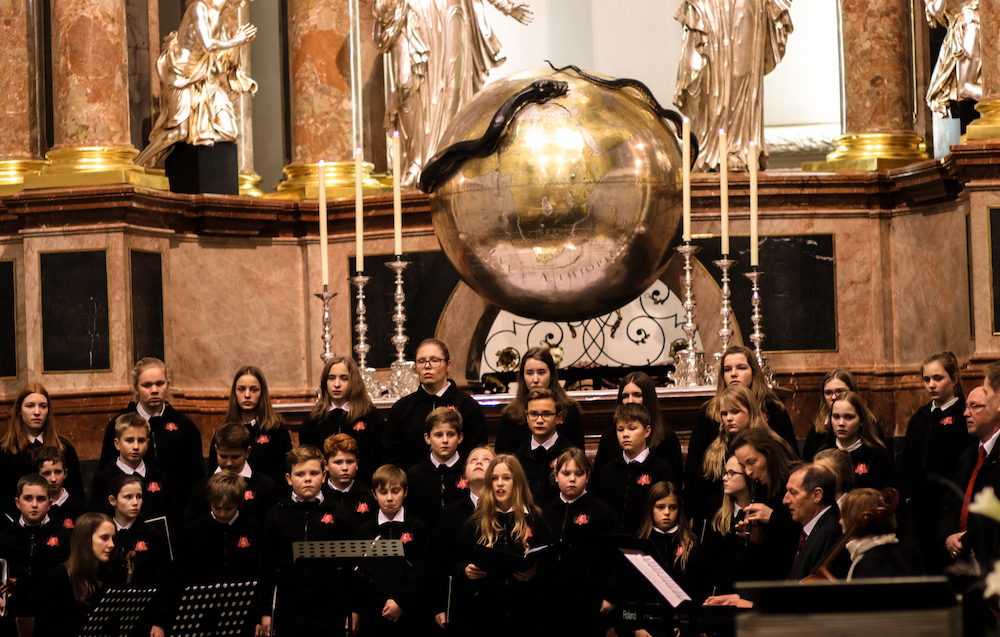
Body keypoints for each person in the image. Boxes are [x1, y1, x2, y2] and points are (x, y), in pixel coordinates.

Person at [373, 0, 533, 186]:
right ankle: (414, 161)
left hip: (450, 11)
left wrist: (506, 5)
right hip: (411, 12)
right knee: (406, 87)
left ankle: (443, 162)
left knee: (451, 89)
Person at [673, 0, 793, 171]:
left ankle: (739, 148)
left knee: (741, 72)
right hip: (710, 6)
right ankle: (709, 152)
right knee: (710, 74)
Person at [136, 0, 257, 167]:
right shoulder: (198, 7)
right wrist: (236, 41)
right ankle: (138, 165)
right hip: (181, 77)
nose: (241, 3)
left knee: (228, 130)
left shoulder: (218, 19)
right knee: (179, 132)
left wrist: (236, 50)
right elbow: (208, 45)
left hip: (204, 80)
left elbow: (220, 62)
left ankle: (195, 162)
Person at [685, 346, 796, 525]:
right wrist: (692, 512)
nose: (733, 374)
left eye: (741, 368)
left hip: (763, 506)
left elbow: (789, 462)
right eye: (727, 369)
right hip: (715, 509)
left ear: (754, 371)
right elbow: (694, 467)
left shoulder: (774, 410)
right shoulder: (708, 412)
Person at [454, 455, 552, 637]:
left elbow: (550, 562)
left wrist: (535, 572)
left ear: (518, 482)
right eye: (494, 478)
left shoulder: (535, 519)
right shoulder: (476, 523)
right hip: (486, 615)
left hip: (527, 614)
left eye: (506, 478)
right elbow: (458, 561)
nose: (500, 484)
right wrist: (466, 570)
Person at [264, 446, 355, 635]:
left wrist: (353, 609)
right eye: (300, 474)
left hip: (331, 608)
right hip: (289, 609)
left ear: (323, 476)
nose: (307, 479)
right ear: (288, 478)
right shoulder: (277, 514)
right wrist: (265, 612)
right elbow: (266, 565)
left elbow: (350, 567)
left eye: (313, 473)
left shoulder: (339, 513)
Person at [901, 351, 973, 574]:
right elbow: (907, 460)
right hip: (918, 508)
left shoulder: (963, 415)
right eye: (926, 379)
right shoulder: (920, 417)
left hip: (948, 509)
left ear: (954, 379)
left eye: (938, 378)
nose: (931, 385)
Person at [99, 357, 205, 506]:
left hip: (177, 512)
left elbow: (197, 477)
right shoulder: (118, 425)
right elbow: (106, 473)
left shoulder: (185, 426)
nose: (154, 390)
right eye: (147, 385)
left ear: (167, 385)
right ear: (136, 387)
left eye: (159, 384)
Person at [541, 448, 618, 637]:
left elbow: (614, 557)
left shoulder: (601, 511)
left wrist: (610, 595)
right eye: (566, 473)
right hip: (551, 601)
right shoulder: (544, 513)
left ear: (588, 476)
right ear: (556, 476)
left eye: (579, 473)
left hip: (589, 601)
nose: (572, 479)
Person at [181, 472, 269, 634]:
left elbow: (262, 572)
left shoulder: (253, 528)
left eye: (228, 508)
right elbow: (185, 575)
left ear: (240, 502)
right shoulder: (194, 531)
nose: (222, 514)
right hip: (205, 612)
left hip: (245, 610)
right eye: (216, 507)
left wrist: (260, 614)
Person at [615, 481, 704, 637]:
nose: (667, 512)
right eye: (660, 507)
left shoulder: (692, 545)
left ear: (680, 509)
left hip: (680, 628)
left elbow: (698, 592)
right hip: (643, 628)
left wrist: (686, 627)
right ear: (651, 509)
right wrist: (634, 629)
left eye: (673, 507)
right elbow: (625, 593)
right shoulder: (637, 544)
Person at [383, 338, 487, 469]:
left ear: (448, 365)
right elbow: (392, 457)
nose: (427, 366)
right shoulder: (402, 409)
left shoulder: (468, 406)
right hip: (413, 484)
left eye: (434, 360)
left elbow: (476, 453)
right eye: (421, 361)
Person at [356, 464, 430, 635]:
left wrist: (401, 603)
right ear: (374, 494)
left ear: (405, 492)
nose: (389, 498)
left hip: (411, 612)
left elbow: (421, 570)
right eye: (383, 492)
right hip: (375, 613)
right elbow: (360, 574)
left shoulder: (418, 528)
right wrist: (381, 603)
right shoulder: (365, 530)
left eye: (395, 491)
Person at [429, 447, 494, 632]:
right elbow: (438, 561)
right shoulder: (450, 513)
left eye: (486, 460)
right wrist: (439, 605)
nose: (479, 462)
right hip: (461, 602)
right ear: (465, 471)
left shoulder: (507, 510)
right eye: (474, 460)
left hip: (498, 602)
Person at [0, 384, 84, 520]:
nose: (37, 412)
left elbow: (77, 496)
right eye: (30, 406)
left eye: (43, 406)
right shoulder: (5, 452)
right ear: (19, 410)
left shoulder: (64, 449)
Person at [0, 474, 71, 628]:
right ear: (17, 503)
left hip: (52, 613)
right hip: (14, 612)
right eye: (28, 498)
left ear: (49, 503)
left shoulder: (63, 535)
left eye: (40, 499)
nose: (34, 504)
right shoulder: (6, 536)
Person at [299, 355, 384, 483]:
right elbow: (308, 463)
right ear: (324, 382)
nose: (337, 384)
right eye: (331, 378)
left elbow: (376, 459)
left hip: (363, 490)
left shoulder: (371, 417)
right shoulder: (314, 420)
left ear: (354, 382)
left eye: (344, 378)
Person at [106, 474, 172, 637]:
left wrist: (158, 622)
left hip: (145, 618)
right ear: (113, 500)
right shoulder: (102, 532)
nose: (135, 502)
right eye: (128, 497)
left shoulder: (152, 534)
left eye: (139, 496)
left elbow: (162, 579)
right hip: (109, 620)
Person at [941, 385, 1000, 566]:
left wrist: (965, 541)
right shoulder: (969, 454)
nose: (966, 413)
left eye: (975, 407)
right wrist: (948, 534)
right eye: (967, 407)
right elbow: (950, 501)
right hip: (965, 555)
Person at [594, 403, 675, 534]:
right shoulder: (608, 470)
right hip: (612, 544)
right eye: (620, 429)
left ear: (647, 431)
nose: (625, 434)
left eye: (632, 429)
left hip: (647, 543)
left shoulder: (661, 469)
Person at [208, 366, 292, 488]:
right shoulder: (224, 432)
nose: (247, 395)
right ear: (235, 392)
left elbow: (284, 475)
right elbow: (213, 473)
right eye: (241, 389)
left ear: (262, 393)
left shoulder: (277, 431)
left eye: (253, 390)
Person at [731, 428, 798, 580]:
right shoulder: (760, 487)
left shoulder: (796, 480)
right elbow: (775, 549)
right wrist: (759, 537)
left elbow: (806, 533)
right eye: (743, 466)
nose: (748, 472)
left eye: (752, 462)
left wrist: (773, 518)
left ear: (768, 454)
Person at [33, 512, 115, 637]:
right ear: (86, 540)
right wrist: (91, 620)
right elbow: (44, 632)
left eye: (112, 538)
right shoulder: (59, 577)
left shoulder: (106, 575)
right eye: (104, 538)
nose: (111, 544)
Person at [593, 371, 684, 481]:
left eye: (637, 395)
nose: (630, 401)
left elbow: (673, 486)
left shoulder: (667, 437)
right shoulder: (609, 436)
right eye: (625, 396)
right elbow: (597, 483)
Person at [184, 423, 279, 525]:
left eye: (235, 457)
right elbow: (191, 525)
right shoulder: (202, 487)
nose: (229, 463)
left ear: (247, 452)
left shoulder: (265, 486)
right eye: (223, 456)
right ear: (216, 450)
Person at [494, 347, 584, 454]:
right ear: (523, 376)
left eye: (541, 373)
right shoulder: (510, 414)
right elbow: (502, 458)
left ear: (551, 375)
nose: (535, 380)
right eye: (529, 373)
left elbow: (578, 457)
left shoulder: (569, 409)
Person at [90, 413, 174, 521]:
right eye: (129, 440)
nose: (135, 447)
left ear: (148, 444)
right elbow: (96, 519)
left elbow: (172, 517)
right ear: (117, 443)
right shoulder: (103, 478)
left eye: (141, 440)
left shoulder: (159, 476)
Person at [405, 407, 468, 532]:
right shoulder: (414, 475)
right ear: (427, 438)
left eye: (450, 434)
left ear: (460, 437)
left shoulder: (469, 472)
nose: (445, 440)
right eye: (439, 435)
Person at [512, 388, 578, 507]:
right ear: (526, 416)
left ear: (559, 417)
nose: (539, 420)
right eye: (533, 414)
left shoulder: (570, 454)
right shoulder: (517, 458)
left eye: (547, 414)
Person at [784, 464, 849, 580]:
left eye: (793, 493)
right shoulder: (820, 528)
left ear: (817, 495)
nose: (785, 500)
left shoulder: (830, 534)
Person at [841, 488, 917, 579]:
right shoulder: (879, 553)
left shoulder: (876, 561)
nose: (840, 521)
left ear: (853, 518)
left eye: (843, 516)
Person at [825, 392, 894, 490]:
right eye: (836, 416)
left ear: (861, 420)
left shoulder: (877, 456)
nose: (841, 423)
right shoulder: (823, 454)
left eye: (849, 417)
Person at [321, 433, 376, 528]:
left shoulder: (369, 496)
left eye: (350, 462)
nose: (345, 468)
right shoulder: (320, 495)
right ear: (326, 465)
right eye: (338, 462)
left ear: (357, 464)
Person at [31, 446, 85, 531]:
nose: (53, 479)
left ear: (65, 473)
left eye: (58, 472)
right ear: (37, 476)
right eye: (47, 473)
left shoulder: (77, 506)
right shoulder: (32, 506)